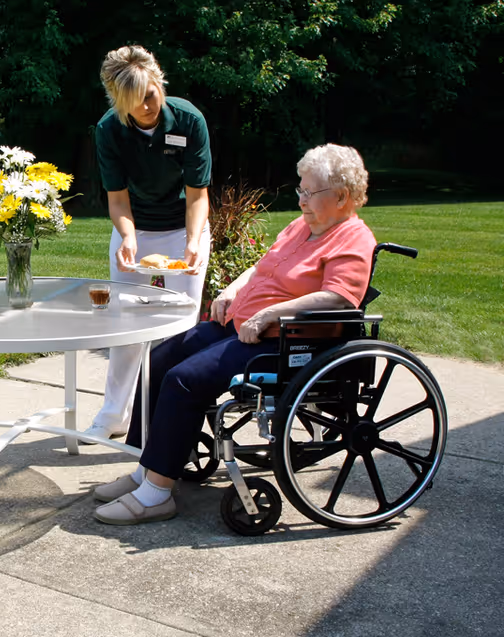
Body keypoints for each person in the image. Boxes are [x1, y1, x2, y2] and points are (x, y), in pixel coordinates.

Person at [92, 143, 377, 525]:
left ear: (342, 197)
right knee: (157, 363)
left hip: (282, 341)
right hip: (242, 325)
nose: (301, 201)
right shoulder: (301, 227)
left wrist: (270, 314)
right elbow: (262, 267)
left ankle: (157, 494)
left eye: (310, 193)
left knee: (185, 381)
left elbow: (340, 296)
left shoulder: (353, 238)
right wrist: (231, 291)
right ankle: (145, 470)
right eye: (301, 190)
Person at [84, 45, 212, 442]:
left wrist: (192, 241)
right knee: (124, 324)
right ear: (118, 100)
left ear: (159, 82)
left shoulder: (189, 121)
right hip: (135, 231)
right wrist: (127, 237)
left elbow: (198, 196)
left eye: (150, 95)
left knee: (181, 326)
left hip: (183, 230)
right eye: (135, 102)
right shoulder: (109, 130)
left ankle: (170, 416)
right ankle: (113, 415)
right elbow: (118, 199)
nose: (146, 106)